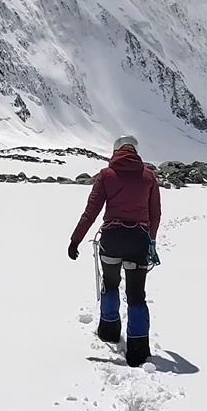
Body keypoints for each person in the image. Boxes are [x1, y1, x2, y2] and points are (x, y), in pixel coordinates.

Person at [68, 135, 162, 367]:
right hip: (138, 240)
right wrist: (151, 241)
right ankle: (138, 349)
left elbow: (91, 212)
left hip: (111, 239)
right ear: (136, 151)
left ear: (115, 150)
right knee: (136, 295)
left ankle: (109, 330)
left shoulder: (106, 175)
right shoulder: (149, 176)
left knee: (110, 284)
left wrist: (75, 240)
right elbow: (155, 215)